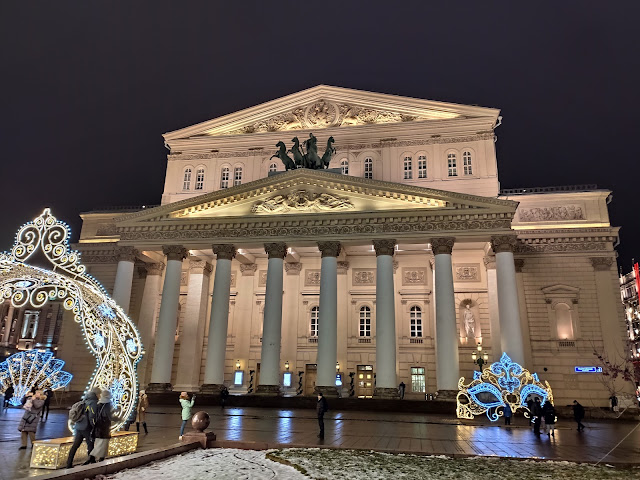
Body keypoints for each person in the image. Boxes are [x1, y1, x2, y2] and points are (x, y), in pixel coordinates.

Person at [66, 390, 98, 468]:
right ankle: (92, 462)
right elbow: (92, 416)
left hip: (78, 427)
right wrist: (94, 425)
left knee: (75, 445)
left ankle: (69, 463)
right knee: (90, 444)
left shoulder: (82, 402)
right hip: (87, 427)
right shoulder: (92, 403)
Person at [88, 390, 119, 463]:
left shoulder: (98, 403)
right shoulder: (107, 405)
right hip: (104, 428)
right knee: (103, 444)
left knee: (99, 443)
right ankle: (97, 458)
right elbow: (108, 416)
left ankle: (95, 458)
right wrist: (118, 419)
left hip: (98, 427)